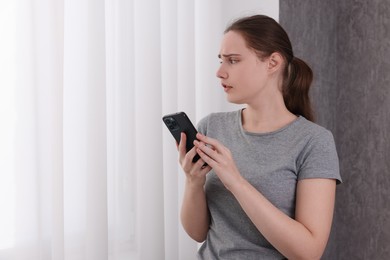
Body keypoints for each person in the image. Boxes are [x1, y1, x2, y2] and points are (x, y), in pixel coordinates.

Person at [177, 14, 342, 259]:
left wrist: (236, 182)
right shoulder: (211, 127)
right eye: (221, 60)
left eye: (233, 61)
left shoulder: (314, 142)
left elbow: (309, 251)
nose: (220, 72)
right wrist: (193, 182)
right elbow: (198, 233)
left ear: (272, 63)